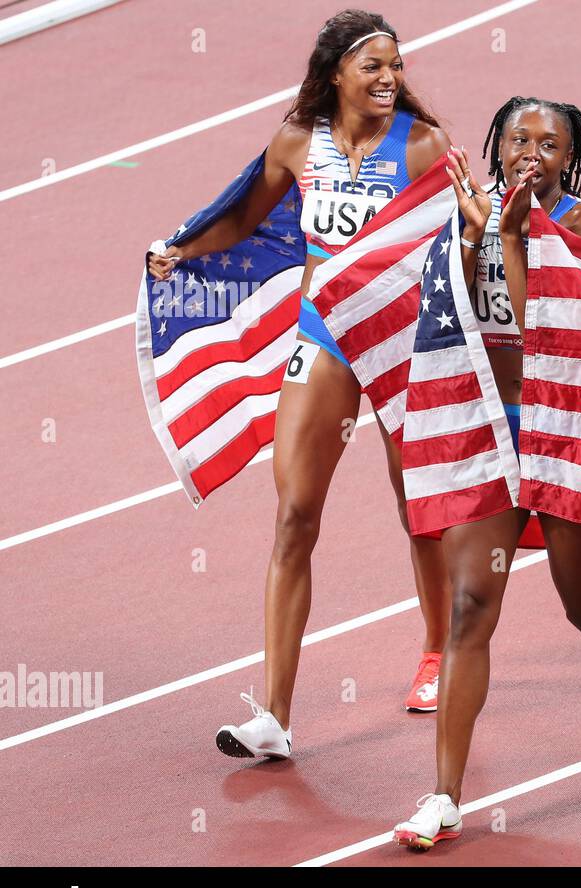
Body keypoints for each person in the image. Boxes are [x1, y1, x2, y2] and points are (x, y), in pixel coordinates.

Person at [145, 10, 453, 758]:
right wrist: (180, 250)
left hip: (400, 341)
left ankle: (439, 653)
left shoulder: (422, 147)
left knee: (417, 503)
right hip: (322, 338)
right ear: (335, 74)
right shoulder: (296, 142)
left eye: (395, 65)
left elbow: (456, 243)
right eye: (373, 66)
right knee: (293, 517)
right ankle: (275, 719)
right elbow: (246, 216)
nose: (388, 78)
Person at [391, 98, 581, 849]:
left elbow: (542, 329)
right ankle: (444, 796)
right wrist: (471, 234)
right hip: (490, 429)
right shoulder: (460, 214)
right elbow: (444, 321)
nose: (532, 153)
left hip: (569, 427)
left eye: (550, 143)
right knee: (470, 608)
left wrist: (506, 237)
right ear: (497, 144)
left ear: (570, 157)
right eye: (519, 138)